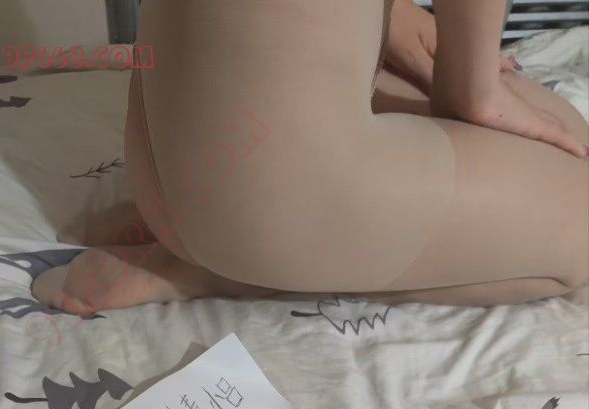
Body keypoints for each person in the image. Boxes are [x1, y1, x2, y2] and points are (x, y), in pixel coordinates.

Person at [32, 0, 589, 314]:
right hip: (253, 209)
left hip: (167, 151)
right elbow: (468, 95)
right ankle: (237, 270)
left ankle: (233, 241)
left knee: (552, 118)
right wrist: (472, 90)